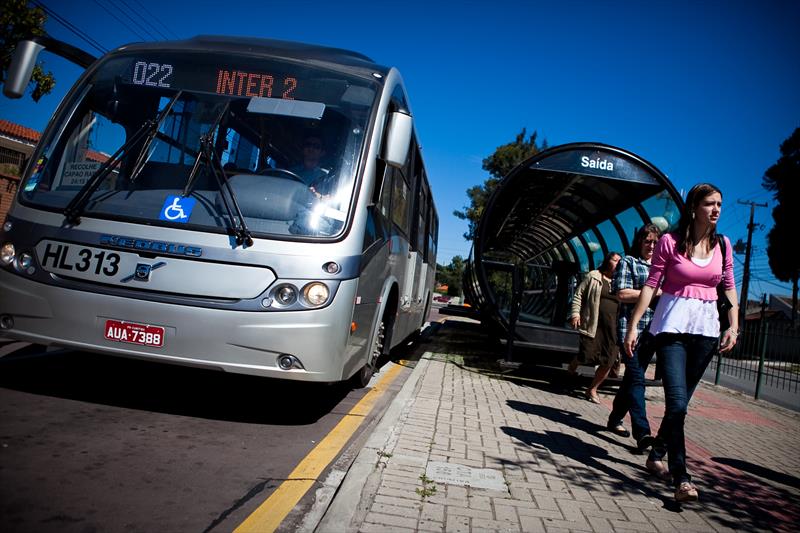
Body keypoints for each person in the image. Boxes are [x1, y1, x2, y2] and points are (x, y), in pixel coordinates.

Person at [623, 183, 738, 503]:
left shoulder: (724, 246)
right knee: (676, 404)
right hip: (671, 330)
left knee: (681, 405)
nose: (716, 209)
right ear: (693, 207)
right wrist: (634, 326)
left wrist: (734, 326)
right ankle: (682, 477)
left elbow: (728, 288)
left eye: (720, 204)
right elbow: (650, 285)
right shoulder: (670, 243)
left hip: (706, 334)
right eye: (710, 204)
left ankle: (656, 452)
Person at [606, 224, 662, 450]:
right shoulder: (628, 262)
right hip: (630, 330)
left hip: (653, 331)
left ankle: (614, 418)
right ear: (640, 242)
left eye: (656, 242)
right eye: (647, 241)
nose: (651, 246)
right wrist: (655, 293)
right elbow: (622, 293)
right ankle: (642, 432)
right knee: (637, 378)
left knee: (631, 379)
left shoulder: (663, 268)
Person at [567, 251, 622, 403]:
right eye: (615, 260)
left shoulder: (621, 281)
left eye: (620, 261)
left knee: (608, 361)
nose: (618, 263)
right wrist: (575, 314)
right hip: (594, 324)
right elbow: (579, 295)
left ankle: (592, 389)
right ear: (607, 261)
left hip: (613, 328)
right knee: (587, 355)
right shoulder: (594, 276)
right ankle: (573, 365)